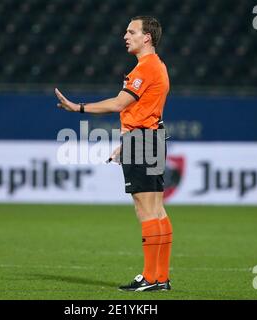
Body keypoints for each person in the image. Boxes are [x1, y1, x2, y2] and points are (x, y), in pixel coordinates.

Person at [55, 16, 172, 292]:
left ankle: (151, 277)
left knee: (145, 210)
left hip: (143, 140)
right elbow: (144, 110)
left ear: (147, 37)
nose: (125, 36)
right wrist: (128, 140)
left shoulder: (145, 68)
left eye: (131, 31)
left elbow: (121, 103)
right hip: (151, 136)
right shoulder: (158, 66)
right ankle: (160, 277)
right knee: (156, 210)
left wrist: (78, 108)